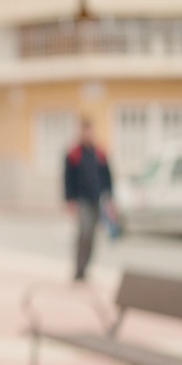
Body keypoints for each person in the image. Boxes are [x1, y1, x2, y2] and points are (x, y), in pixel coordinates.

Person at [64, 117, 114, 282]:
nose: (88, 134)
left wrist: (109, 198)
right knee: (84, 233)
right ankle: (78, 268)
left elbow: (107, 176)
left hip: (97, 199)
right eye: (86, 130)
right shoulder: (74, 153)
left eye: (90, 130)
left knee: (92, 235)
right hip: (81, 200)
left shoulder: (99, 153)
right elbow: (67, 177)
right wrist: (69, 199)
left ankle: (86, 269)